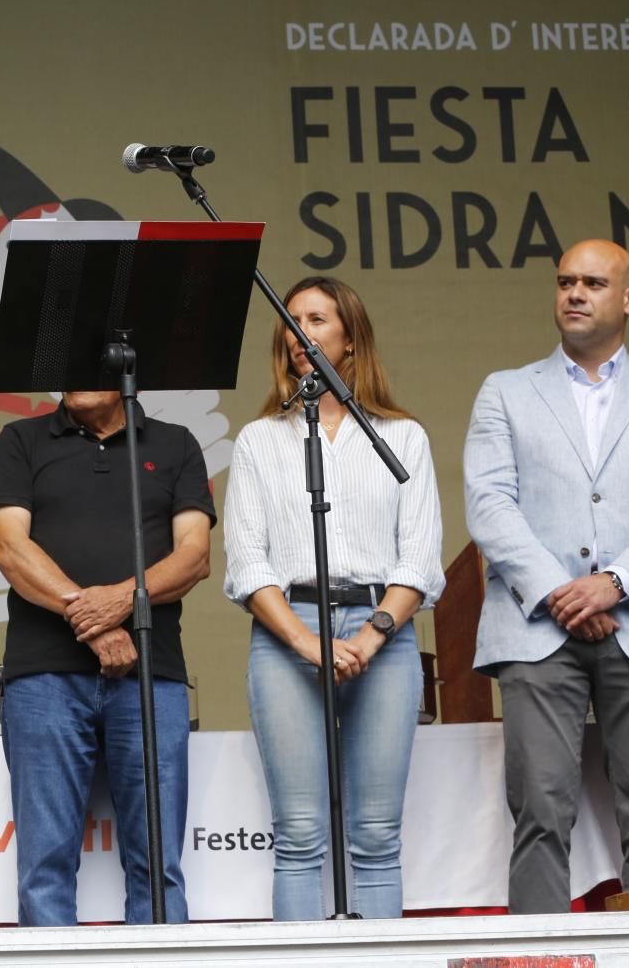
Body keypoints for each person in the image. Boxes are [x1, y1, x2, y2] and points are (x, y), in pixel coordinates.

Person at [222, 276, 443, 921]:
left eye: (317, 319)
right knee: (298, 837)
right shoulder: (261, 439)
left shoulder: (402, 437)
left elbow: (421, 559)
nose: (300, 333)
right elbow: (248, 563)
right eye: (291, 321)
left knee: (375, 838)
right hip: (287, 634)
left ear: (350, 339)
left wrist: (372, 635)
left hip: (387, 636)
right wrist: (306, 641)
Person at [0, 389, 214, 925]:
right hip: (44, 678)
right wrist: (93, 620)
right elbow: (7, 548)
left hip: (152, 674)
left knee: (158, 868)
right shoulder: (22, 439)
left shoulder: (175, 443)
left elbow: (195, 557)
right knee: (44, 869)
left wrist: (118, 601)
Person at [464, 238, 629, 913]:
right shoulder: (506, 391)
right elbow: (489, 504)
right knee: (540, 805)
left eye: (593, 283)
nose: (574, 293)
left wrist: (619, 581)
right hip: (537, 627)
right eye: (566, 280)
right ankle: (537, 951)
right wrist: (559, 591)